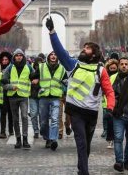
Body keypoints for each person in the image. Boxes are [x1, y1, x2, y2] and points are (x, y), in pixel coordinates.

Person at [46, 16, 115, 175]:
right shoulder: (73, 65)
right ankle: (84, 172)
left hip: (90, 113)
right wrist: (52, 31)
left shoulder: (101, 71)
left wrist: (110, 107)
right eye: (84, 47)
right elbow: (60, 52)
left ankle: (81, 167)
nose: (84, 49)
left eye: (87, 48)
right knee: (82, 143)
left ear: (94, 55)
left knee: (87, 146)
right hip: (75, 111)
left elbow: (109, 91)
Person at [32, 51, 67, 150]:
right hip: (44, 97)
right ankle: (47, 137)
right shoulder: (41, 67)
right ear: (48, 57)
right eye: (51, 54)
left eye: (55, 54)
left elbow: (65, 81)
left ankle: (53, 140)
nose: (53, 56)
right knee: (43, 122)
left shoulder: (62, 68)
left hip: (56, 97)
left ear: (57, 57)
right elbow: (33, 77)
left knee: (55, 119)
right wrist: (37, 82)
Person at [2, 48, 34, 149]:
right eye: (17, 55)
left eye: (20, 55)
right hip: (12, 97)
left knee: (24, 117)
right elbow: (2, 82)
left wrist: (35, 80)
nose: (19, 57)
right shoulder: (9, 68)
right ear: (14, 57)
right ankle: (18, 139)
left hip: (24, 96)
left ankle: (25, 139)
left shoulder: (28, 67)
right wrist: (11, 87)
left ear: (23, 56)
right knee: (15, 119)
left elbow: (35, 77)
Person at [0, 51, 14, 139]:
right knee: (3, 112)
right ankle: (3, 131)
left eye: (6, 59)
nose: (4, 61)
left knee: (11, 113)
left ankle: (11, 130)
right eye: (3, 59)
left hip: (10, 92)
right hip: (2, 93)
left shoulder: (12, 68)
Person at [103, 59, 119, 148]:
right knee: (110, 122)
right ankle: (110, 139)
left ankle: (116, 138)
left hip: (118, 101)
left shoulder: (119, 76)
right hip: (108, 103)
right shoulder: (106, 76)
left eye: (114, 67)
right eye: (111, 67)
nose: (113, 68)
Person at [30, 56, 44, 139]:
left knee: (42, 114)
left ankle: (42, 129)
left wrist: (38, 79)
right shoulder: (31, 71)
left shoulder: (46, 72)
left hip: (41, 95)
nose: (38, 67)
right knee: (34, 114)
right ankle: (36, 130)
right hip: (32, 95)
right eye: (37, 65)